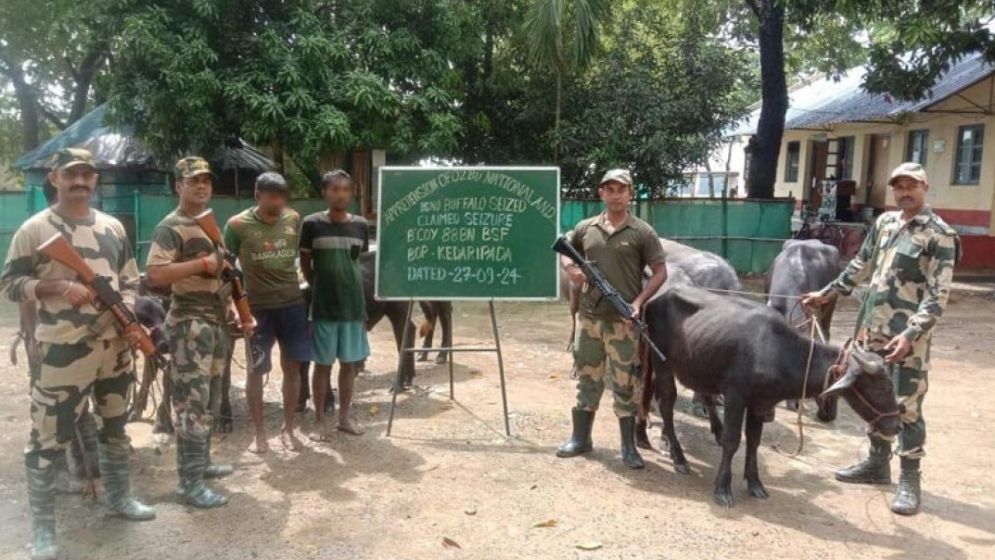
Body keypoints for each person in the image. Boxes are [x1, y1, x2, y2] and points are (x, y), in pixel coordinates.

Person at [0, 148, 155, 560]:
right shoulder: (36, 230)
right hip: (64, 350)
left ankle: (119, 498)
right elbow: (10, 283)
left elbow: (130, 279)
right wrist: (56, 287)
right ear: (55, 178)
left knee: (115, 428)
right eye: (71, 175)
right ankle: (44, 533)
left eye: (87, 174)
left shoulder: (113, 228)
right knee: (46, 441)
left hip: (114, 350)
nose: (80, 181)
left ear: (96, 181)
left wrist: (128, 315)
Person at [803, 162, 960, 516]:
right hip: (870, 334)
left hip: (906, 343)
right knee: (873, 397)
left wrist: (910, 334)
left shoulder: (940, 235)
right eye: (898, 187)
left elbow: (937, 297)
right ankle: (876, 463)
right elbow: (860, 265)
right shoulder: (885, 223)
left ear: (925, 187)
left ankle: (909, 479)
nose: (904, 192)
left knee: (906, 405)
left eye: (911, 186)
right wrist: (826, 294)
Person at [145, 156, 249, 508]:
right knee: (191, 404)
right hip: (190, 324)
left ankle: (201, 464)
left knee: (209, 399)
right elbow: (155, 275)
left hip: (216, 322)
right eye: (193, 181)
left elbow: (221, 273)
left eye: (206, 181)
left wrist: (233, 305)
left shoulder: (208, 224)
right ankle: (188, 484)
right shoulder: (170, 226)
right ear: (178, 186)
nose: (202, 186)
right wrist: (200, 264)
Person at [556, 168, 667, 469]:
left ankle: (628, 448)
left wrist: (638, 302)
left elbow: (660, 273)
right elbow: (564, 250)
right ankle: (581, 439)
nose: (616, 195)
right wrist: (571, 269)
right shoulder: (585, 228)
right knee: (587, 380)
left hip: (624, 323)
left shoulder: (642, 232)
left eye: (622, 189)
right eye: (610, 189)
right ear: (601, 193)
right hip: (590, 321)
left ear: (631, 194)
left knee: (626, 384)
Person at [224, 172, 310, 453]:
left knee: (293, 367)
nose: (278, 201)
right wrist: (235, 306)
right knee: (256, 370)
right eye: (272, 196)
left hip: (292, 304)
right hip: (257, 309)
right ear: (257, 195)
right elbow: (226, 269)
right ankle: (259, 433)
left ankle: (288, 428)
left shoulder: (293, 218)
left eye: (282, 195)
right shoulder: (236, 225)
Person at [300, 170, 370, 440]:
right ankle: (319, 421)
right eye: (334, 189)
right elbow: (306, 266)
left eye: (345, 190)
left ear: (351, 194)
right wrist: (319, 288)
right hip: (324, 308)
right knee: (322, 365)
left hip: (353, 307)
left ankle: (344, 418)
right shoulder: (311, 224)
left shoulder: (361, 225)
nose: (340, 194)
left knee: (350, 365)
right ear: (324, 193)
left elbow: (358, 263)